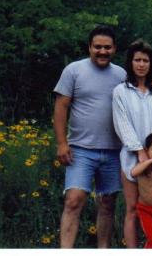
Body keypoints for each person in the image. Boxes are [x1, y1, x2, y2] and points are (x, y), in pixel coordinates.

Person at [53, 25, 125, 248]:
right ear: (89, 47)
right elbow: (61, 107)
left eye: (107, 47)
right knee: (73, 200)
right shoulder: (73, 70)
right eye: (97, 47)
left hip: (114, 150)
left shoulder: (122, 74)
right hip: (80, 149)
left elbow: (140, 95)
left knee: (107, 203)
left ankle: (103, 249)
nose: (102, 51)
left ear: (114, 49)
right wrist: (62, 143)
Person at [112, 39, 152, 248]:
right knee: (132, 209)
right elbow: (122, 123)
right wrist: (139, 151)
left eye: (145, 60)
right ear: (130, 62)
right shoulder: (121, 91)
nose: (141, 64)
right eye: (137, 59)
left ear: (150, 63)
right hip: (132, 156)